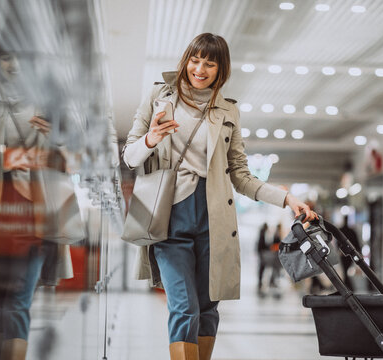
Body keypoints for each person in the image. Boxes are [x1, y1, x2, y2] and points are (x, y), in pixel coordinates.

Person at [122, 33, 316, 360]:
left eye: (209, 63)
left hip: (214, 221)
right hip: (167, 219)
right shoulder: (158, 97)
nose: (200, 69)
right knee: (184, 307)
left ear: (220, 70)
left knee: (208, 308)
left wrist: (286, 200)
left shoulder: (227, 111)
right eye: (195, 60)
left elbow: (240, 174)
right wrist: (151, 139)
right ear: (186, 61)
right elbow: (129, 156)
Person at [0, 30, 73, 360]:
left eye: (21, 57)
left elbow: (67, 163)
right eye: (6, 57)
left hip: (34, 215)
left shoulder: (48, 104)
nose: (14, 65)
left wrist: (57, 140)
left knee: (18, 299)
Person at [339, 215, 361, 290]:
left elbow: (338, 243)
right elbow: (357, 243)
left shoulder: (341, 230)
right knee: (345, 270)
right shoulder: (351, 231)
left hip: (344, 254)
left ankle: (347, 287)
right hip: (350, 254)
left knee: (345, 270)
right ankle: (348, 287)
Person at [256, 222, 269, 294]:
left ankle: (260, 281)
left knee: (261, 268)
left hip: (261, 252)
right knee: (262, 267)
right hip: (262, 253)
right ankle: (260, 282)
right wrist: (268, 248)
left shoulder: (261, 233)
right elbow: (263, 244)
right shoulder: (263, 234)